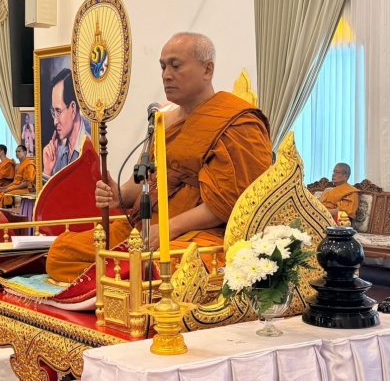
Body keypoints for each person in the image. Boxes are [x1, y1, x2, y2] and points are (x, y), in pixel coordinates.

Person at [46, 32, 273, 283]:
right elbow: (143, 180)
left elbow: (229, 203)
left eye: (176, 66)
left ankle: (121, 283)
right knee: (61, 254)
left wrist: (167, 229)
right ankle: (120, 283)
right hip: (145, 227)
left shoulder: (237, 122)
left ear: (207, 69)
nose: (166, 75)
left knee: (170, 268)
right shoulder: (162, 119)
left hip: (197, 232)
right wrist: (117, 194)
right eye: (163, 67)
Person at [42, 68, 88, 183]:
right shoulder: (58, 154)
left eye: (58, 111)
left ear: (73, 109)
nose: (55, 121)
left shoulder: (90, 147)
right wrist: (47, 171)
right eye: (53, 112)